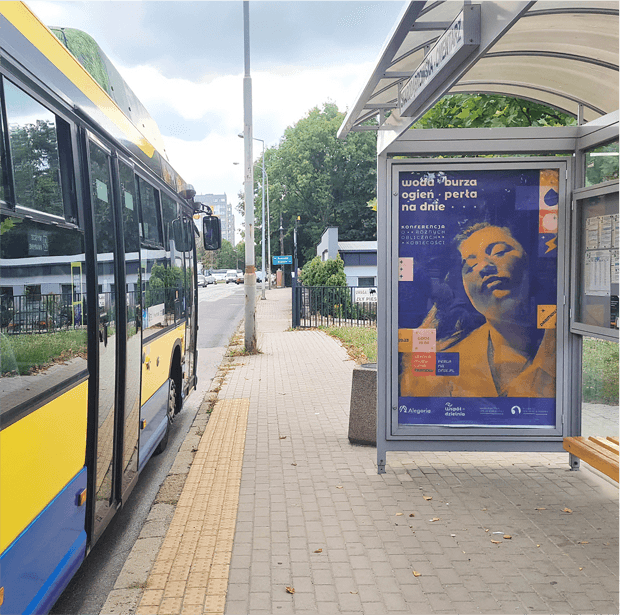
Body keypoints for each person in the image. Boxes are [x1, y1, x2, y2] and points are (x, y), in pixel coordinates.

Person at [400, 222, 555, 398]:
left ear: (530, 260)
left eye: (498, 252)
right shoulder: (443, 360)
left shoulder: (560, 346)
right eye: (470, 265)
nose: (484, 267)